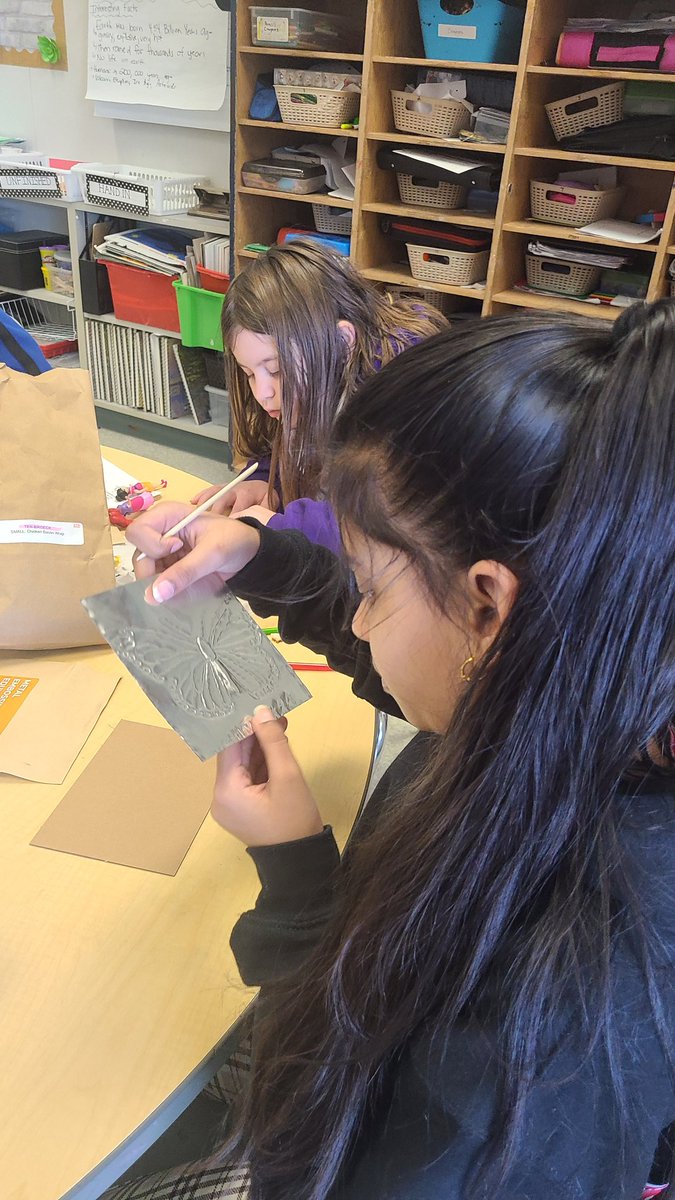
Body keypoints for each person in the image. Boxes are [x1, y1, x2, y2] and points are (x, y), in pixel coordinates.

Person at [116, 303, 674, 1200]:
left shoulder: (540, 1030)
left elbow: (319, 1141)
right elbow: (417, 664)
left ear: (489, 607)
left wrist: (296, 879)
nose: (359, 622)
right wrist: (256, 557)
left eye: (369, 585)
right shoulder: (590, 695)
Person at [191, 240, 448, 552]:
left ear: (341, 344)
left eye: (275, 370)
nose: (262, 392)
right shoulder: (316, 376)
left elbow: (382, 524)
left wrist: (276, 529)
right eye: (248, 373)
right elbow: (292, 446)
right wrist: (265, 482)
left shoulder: (404, 396)